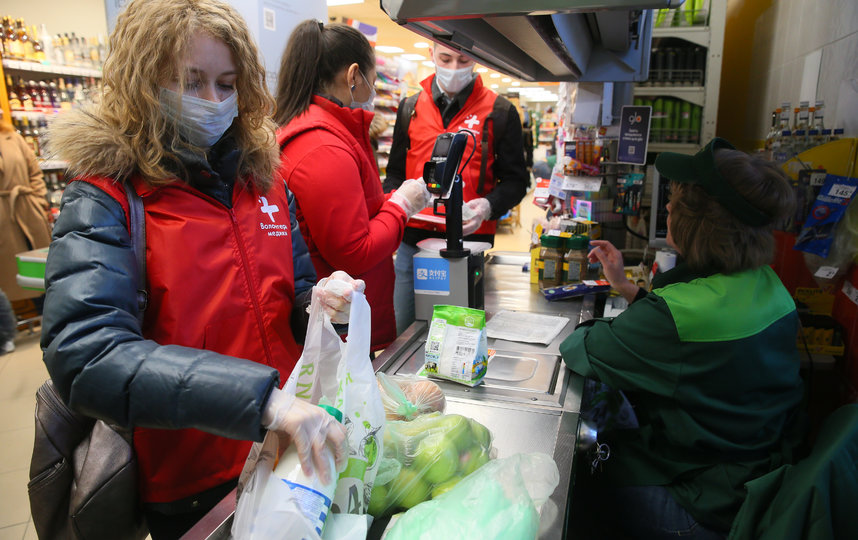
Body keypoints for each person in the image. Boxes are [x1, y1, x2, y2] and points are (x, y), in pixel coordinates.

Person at [41, 1, 360, 537]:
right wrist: (260, 402)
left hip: (289, 450)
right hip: (193, 481)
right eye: (191, 82)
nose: (213, 101)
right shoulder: (107, 196)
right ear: (142, 82)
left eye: (227, 83)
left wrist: (324, 305)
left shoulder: (265, 184)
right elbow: (86, 352)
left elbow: (295, 293)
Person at [560, 138, 806, 539]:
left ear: (701, 224)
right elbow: (694, 339)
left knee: (576, 486)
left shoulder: (678, 315)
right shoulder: (767, 285)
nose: (668, 208)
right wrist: (625, 287)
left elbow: (584, 348)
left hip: (702, 501)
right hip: (759, 477)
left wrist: (622, 316)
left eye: (677, 202)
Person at [274, 20, 431, 351]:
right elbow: (354, 252)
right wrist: (402, 205)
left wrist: (392, 200)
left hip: (335, 320)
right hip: (336, 330)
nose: (373, 93)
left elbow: (353, 211)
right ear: (354, 76)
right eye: (373, 83)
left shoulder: (324, 134)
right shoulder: (323, 147)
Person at [383, 43, 529, 334]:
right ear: (431, 54)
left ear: (476, 58)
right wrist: (396, 206)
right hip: (412, 245)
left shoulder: (500, 111)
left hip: (468, 248)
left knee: (460, 337)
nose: (453, 68)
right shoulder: (410, 107)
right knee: (406, 334)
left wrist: (487, 206)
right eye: (445, 58)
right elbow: (395, 174)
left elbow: (516, 181)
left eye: (463, 60)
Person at [0, 108, 52, 319]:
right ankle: (10, 327)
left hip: (27, 209)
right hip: (3, 216)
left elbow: (34, 172)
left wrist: (39, 201)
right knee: (9, 273)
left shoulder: (14, 138)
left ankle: (48, 317)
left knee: (42, 265)